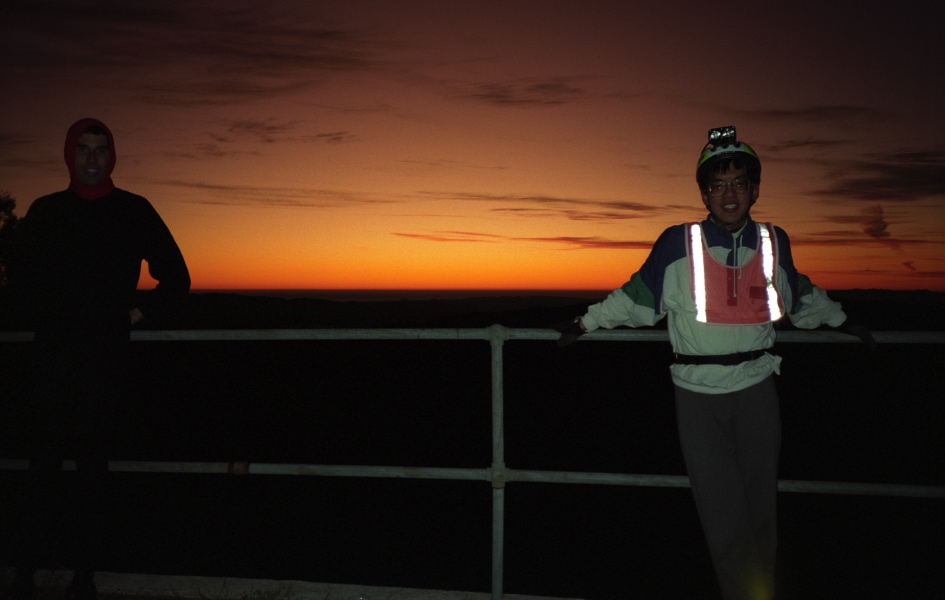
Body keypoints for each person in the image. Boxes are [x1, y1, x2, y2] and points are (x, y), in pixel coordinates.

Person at [553, 126, 873, 600]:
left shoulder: (774, 241)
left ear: (755, 189)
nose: (729, 194)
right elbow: (636, 297)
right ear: (703, 192)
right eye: (718, 184)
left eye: (740, 182)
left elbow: (799, 292)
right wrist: (584, 323)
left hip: (759, 388)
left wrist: (844, 320)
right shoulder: (674, 244)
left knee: (761, 509)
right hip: (698, 397)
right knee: (723, 515)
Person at [2, 118, 190, 600]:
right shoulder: (46, 212)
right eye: (82, 149)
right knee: (40, 469)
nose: (91, 158)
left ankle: (83, 578)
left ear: (112, 157)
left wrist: (133, 313)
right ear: (70, 155)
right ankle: (25, 573)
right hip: (48, 364)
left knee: (91, 472)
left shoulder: (134, 210)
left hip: (104, 367)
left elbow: (176, 277)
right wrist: (48, 311)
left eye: (100, 149)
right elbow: (19, 281)